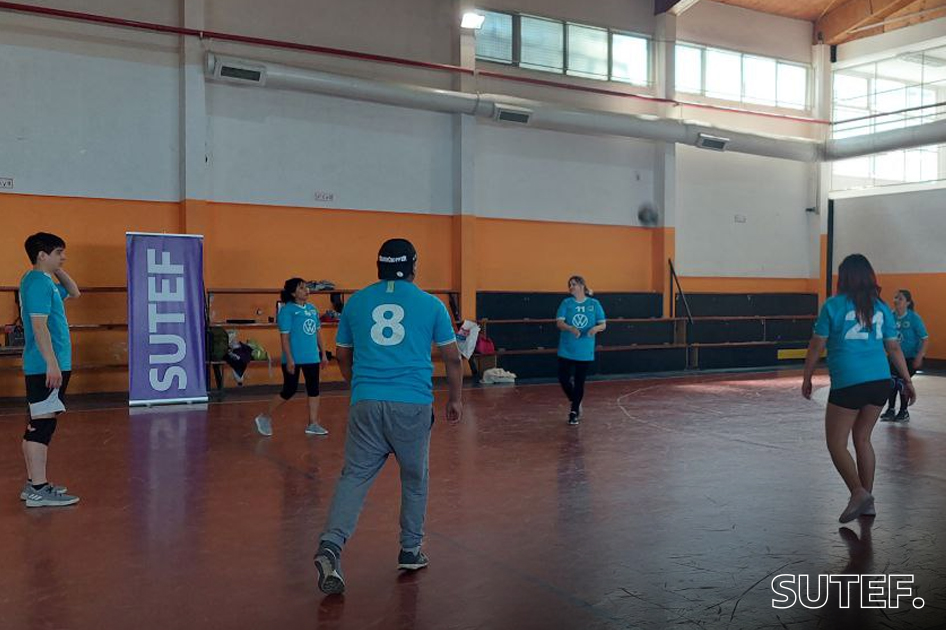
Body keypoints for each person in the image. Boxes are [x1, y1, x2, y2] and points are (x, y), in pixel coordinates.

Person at [313, 238, 463, 595]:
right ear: (414, 267)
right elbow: (453, 358)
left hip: (366, 401)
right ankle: (410, 549)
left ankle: (331, 545)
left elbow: (342, 356)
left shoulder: (356, 302)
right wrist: (455, 399)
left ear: (378, 267)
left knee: (354, 477)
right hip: (412, 404)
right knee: (414, 477)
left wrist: (359, 387)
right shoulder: (432, 305)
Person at [802, 254, 916, 523]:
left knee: (836, 443)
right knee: (863, 439)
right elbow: (893, 347)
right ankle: (867, 503)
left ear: (844, 277)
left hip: (849, 382)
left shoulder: (833, 305)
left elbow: (817, 345)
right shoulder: (881, 307)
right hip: (880, 381)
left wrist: (807, 376)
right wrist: (908, 380)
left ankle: (858, 492)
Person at [19, 232, 81, 508]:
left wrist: (56, 268)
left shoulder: (44, 281)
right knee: (41, 425)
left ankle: (34, 484)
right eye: (58, 253)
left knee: (40, 422)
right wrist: (52, 363)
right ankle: (38, 489)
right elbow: (38, 325)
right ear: (42, 255)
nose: (63, 257)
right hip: (45, 366)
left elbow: (74, 292)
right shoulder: (37, 283)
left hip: (51, 363)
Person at [254, 278, 328, 436]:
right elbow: (285, 338)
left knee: (314, 389)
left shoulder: (312, 309)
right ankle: (264, 417)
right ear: (293, 293)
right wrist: (289, 359)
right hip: (293, 358)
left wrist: (323, 354)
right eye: (301, 288)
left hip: (312, 357)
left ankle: (313, 423)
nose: (306, 290)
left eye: (306, 287)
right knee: (289, 390)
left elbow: (317, 333)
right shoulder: (287, 311)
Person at [555, 275, 606, 426]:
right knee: (563, 378)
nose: (571, 287)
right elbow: (559, 323)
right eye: (569, 285)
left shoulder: (594, 304)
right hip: (567, 347)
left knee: (579, 381)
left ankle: (574, 411)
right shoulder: (566, 303)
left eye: (574, 284)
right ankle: (575, 400)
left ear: (582, 286)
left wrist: (595, 329)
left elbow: (603, 324)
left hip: (584, 349)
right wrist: (570, 328)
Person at [880, 289, 928, 423]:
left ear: (908, 302)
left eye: (900, 298)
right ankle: (890, 409)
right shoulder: (890, 316)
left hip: (910, 357)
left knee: (902, 382)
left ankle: (904, 411)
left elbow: (925, 339)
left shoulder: (914, 318)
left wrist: (919, 356)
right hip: (894, 357)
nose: (896, 300)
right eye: (895, 297)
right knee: (891, 382)